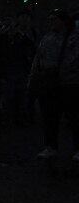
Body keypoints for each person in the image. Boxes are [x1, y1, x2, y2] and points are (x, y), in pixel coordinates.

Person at [32, 10, 75, 159]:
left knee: (73, 117)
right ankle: (51, 146)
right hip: (51, 82)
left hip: (68, 82)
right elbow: (38, 58)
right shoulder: (48, 37)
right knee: (50, 117)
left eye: (54, 20)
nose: (51, 23)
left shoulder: (73, 39)